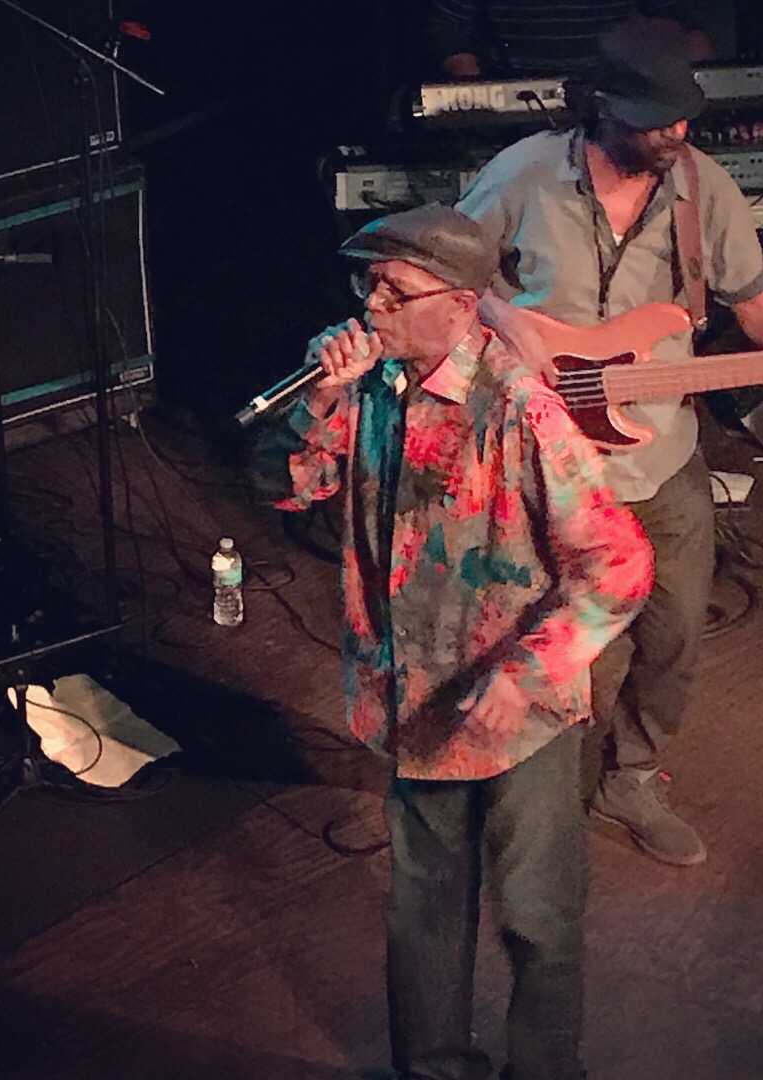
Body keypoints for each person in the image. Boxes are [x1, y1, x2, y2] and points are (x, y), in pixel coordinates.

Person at [454, 14, 763, 866]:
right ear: (600, 105)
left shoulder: (704, 190)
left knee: (674, 636)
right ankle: (526, 792)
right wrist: (509, 324)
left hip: (659, 457)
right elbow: (445, 272)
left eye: (682, 115)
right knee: (537, 636)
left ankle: (631, 778)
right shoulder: (522, 174)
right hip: (543, 460)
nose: (674, 131)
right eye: (654, 118)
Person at [250, 203, 653, 1080]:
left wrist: (528, 670)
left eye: (396, 291)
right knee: (424, 912)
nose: (372, 306)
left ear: (461, 305)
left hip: (517, 713)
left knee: (537, 915)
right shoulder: (369, 387)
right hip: (416, 698)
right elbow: (290, 487)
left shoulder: (518, 408)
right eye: (369, 285)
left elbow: (618, 561)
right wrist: (319, 398)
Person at [429, 0, 713, 78]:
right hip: (520, 125)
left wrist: (715, 99)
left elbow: (683, 26)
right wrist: (486, 109)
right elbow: (450, 35)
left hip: (626, 109)